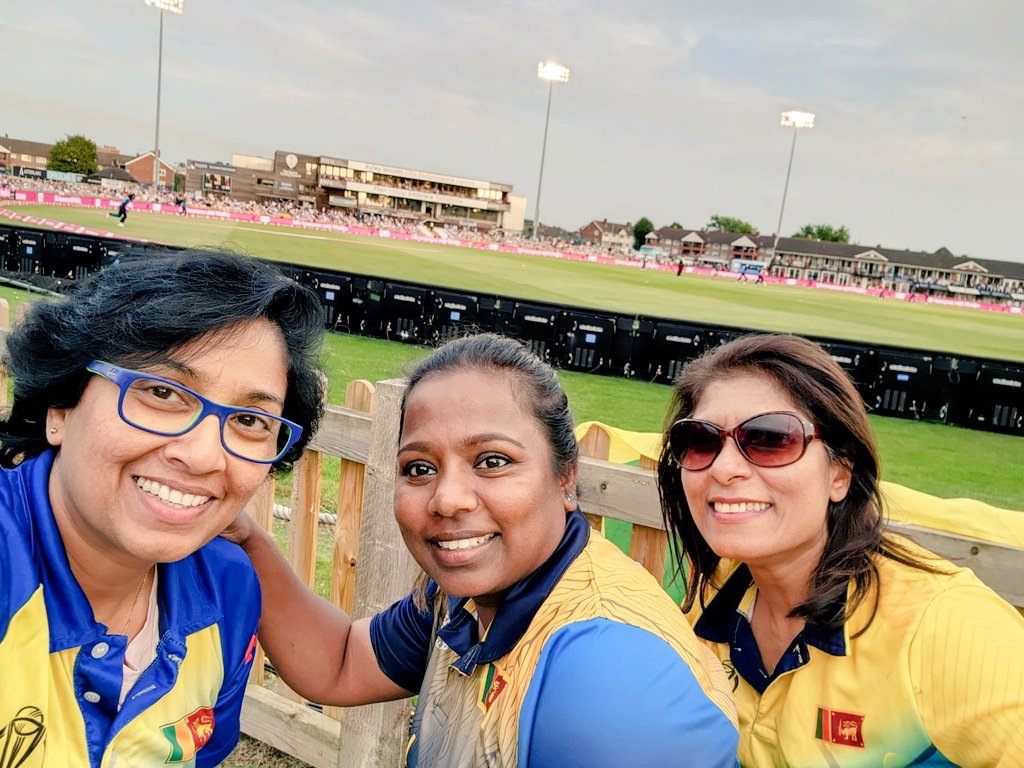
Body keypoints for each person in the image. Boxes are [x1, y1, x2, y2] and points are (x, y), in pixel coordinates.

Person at [225, 333, 740, 767]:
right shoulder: (472, 593)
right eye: (419, 469)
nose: (447, 499)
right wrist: (247, 538)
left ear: (566, 477)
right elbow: (339, 663)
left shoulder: (603, 676)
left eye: (492, 461)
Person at [0, 250, 325, 766]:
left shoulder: (228, 589)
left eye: (250, 421)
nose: (202, 456)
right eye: (160, 391)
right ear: (60, 407)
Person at [656, 333, 1024, 767]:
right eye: (700, 440)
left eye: (771, 438)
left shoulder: (946, 627)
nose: (725, 467)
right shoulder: (711, 603)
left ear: (840, 472)